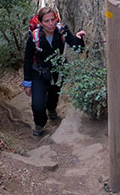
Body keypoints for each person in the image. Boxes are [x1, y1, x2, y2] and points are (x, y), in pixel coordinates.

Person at [22, 7, 86, 136]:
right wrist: (27, 82)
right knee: (38, 104)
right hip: (39, 73)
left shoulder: (62, 31)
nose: (51, 23)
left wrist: (79, 38)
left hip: (58, 72)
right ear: (40, 23)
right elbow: (28, 60)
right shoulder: (34, 38)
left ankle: (51, 109)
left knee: (53, 96)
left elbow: (77, 48)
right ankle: (40, 124)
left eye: (53, 20)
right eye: (46, 21)